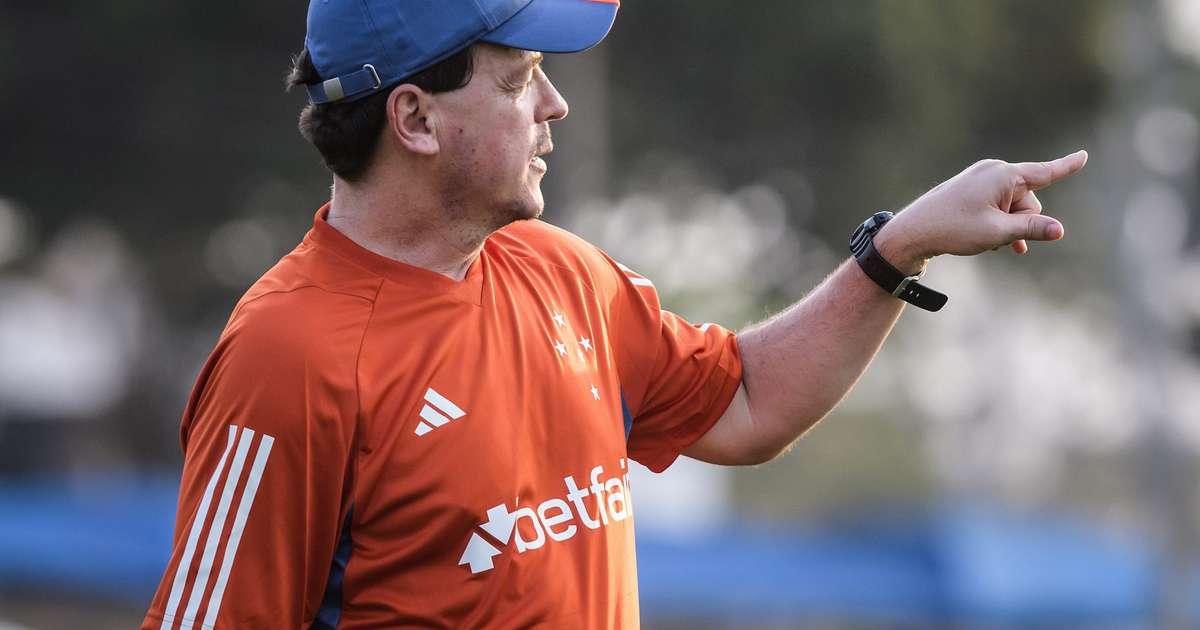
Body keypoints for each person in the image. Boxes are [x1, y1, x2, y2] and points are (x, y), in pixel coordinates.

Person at [141, 1, 1088, 628]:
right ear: (416, 121)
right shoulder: (290, 354)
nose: (553, 105)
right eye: (517, 81)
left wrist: (898, 248)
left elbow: (747, 403)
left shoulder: (561, 274)